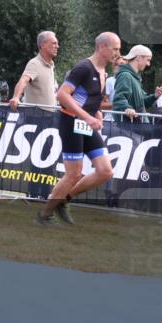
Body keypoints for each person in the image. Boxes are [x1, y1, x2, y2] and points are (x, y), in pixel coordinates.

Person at [36, 32, 121, 226]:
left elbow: (86, 99)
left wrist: (95, 112)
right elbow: (62, 95)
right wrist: (89, 117)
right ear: (102, 47)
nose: (118, 53)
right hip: (71, 123)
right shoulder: (84, 67)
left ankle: (63, 200)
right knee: (74, 173)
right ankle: (44, 215)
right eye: (115, 49)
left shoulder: (103, 71)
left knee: (105, 171)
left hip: (85, 124)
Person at [9, 31, 59, 111]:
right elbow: (23, 80)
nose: (57, 46)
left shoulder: (51, 65)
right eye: (54, 43)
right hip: (35, 117)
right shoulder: (34, 63)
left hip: (49, 116)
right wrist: (16, 97)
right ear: (43, 45)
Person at [110, 45, 162, 121]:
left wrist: (155, 96)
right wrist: (127, 108)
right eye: (148, 60)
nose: (148, 64)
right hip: (130, 128)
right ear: (138, 58)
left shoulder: (134, 77)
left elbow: (142, 102)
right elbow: (119, 98)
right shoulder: (125, 76)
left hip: (138, 126)